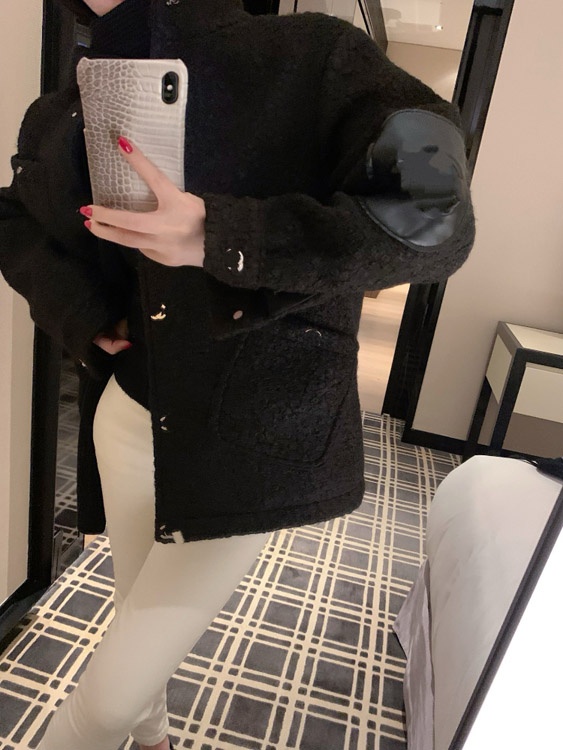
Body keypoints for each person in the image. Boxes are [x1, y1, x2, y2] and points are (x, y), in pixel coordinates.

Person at [0, 1, 476, 748]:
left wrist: (222, 235)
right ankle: (156, 740)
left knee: (101, 706)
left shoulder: (316, 56)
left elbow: (433, 214)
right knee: (133, 628)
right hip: (125, 416)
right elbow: (14, 219)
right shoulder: (63, 108)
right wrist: (83, 312)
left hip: (249, 443)